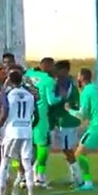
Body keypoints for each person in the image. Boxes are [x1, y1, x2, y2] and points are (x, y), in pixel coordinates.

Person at [0, 70, 38, 195]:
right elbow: (36, 114)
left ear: (10, 81)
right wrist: (30, 125)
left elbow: (3, 110)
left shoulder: (9, 94)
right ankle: (30, 193)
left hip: (12, 131)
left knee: (5, 161)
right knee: (26, 162)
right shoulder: (29, 95)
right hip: (27, 130)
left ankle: (0, 193)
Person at [24, 57, 66, 188]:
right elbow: (51, 101)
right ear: (48, 67)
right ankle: (40, 177)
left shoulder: (28, 75)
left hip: (26, 116)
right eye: (52, 66)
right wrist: (62, 96)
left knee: (29, 147)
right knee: (43, 146)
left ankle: (24, 176)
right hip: (41, 116)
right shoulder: (49, 81)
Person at [50, 60, 83, 186]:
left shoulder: (66, 85)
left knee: (67, 149)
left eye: (57, 70)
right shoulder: (66, 83)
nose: (56, 72)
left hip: (67, 121)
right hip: (68, 120)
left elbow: (67, 101)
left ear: (65, 71)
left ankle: (78, 178)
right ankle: (73, 176)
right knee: (67, 149)